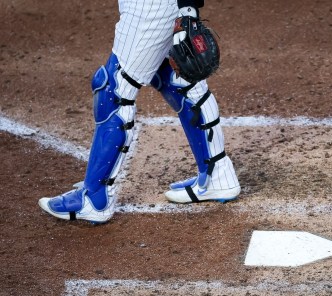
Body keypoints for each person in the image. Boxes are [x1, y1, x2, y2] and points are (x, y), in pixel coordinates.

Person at [38, 0, 240, 223]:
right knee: (176, 79)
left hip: (150, 6)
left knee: (114, 89)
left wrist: (188, 9)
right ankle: (217, 175)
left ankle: (95, 199)